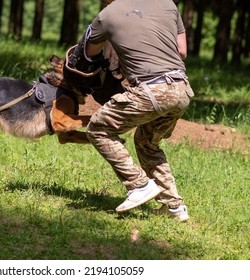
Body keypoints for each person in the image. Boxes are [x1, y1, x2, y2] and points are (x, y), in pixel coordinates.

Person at [83, 0, 194, 221]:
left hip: (152, 91)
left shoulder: (107, 15)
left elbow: (90, 53)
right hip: (182, 89)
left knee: (98, 128)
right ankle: (174, 207)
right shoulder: (167, 3)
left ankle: (138, 185)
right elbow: (181, 52)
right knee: (147, 142)